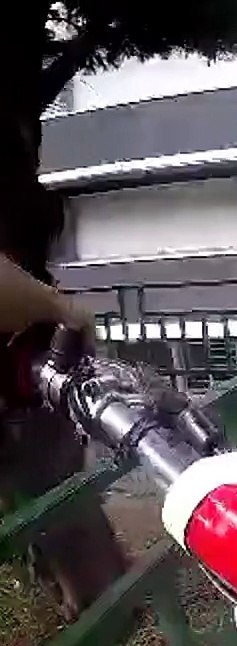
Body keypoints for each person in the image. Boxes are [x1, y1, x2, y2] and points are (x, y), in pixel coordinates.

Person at [0, 187, 129, 620]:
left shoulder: (34, 286)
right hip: (31, 417)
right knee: (62, 511)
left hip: (35, 415)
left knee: (61, 511)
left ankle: (87, 602)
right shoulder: (40, 294)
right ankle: (88, 602)